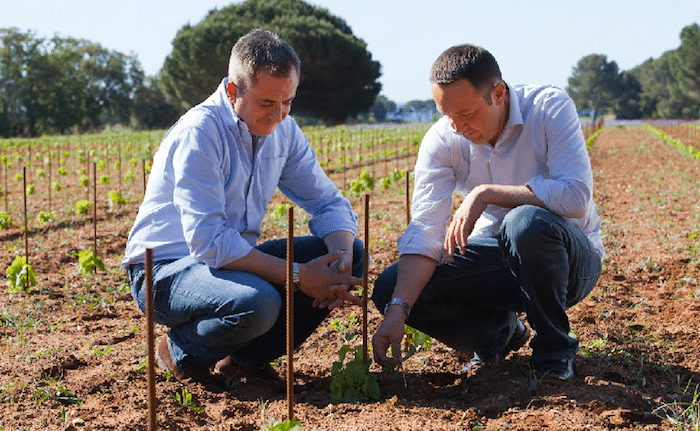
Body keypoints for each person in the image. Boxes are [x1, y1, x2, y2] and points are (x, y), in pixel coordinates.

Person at [123, 29, 364, 385]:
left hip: (226, 263)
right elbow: (208, 242)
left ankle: (246, 360)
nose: (279, 115)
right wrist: (300, 276)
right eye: (267, 103)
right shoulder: (200, 133)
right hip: (163, 270)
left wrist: (340, 261)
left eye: (288, 102)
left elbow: (327, 201)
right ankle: (179, 350)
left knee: (352, 251)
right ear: (233, 91)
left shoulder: (284, 129)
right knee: (259, 301)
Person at [371, 44, 604, 380]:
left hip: (568, 262)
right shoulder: (443, 139)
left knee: (524, 222)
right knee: (392, 286)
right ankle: (499, 335)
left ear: (498, 94)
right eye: (446, 114)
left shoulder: (549, 108)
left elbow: (576, 196)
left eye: (466, 114)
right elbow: (426, 231)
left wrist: (487, 193)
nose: (456, 127)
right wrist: (397, 311)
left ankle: (554, 353)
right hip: (498, 260)